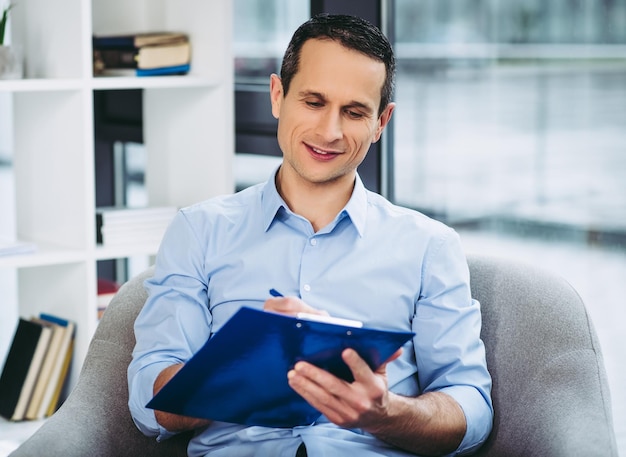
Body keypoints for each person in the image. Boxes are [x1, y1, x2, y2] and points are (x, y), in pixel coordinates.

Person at [128, 13, 493, 457]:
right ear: (278, 96)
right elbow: (149, 404)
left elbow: (471, 406)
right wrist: (245, 365)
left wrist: (385, 412)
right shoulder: (200, 230)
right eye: (313, 102)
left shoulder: (429, 247)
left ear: (381, 122)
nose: (329, 131)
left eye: (354, 111)